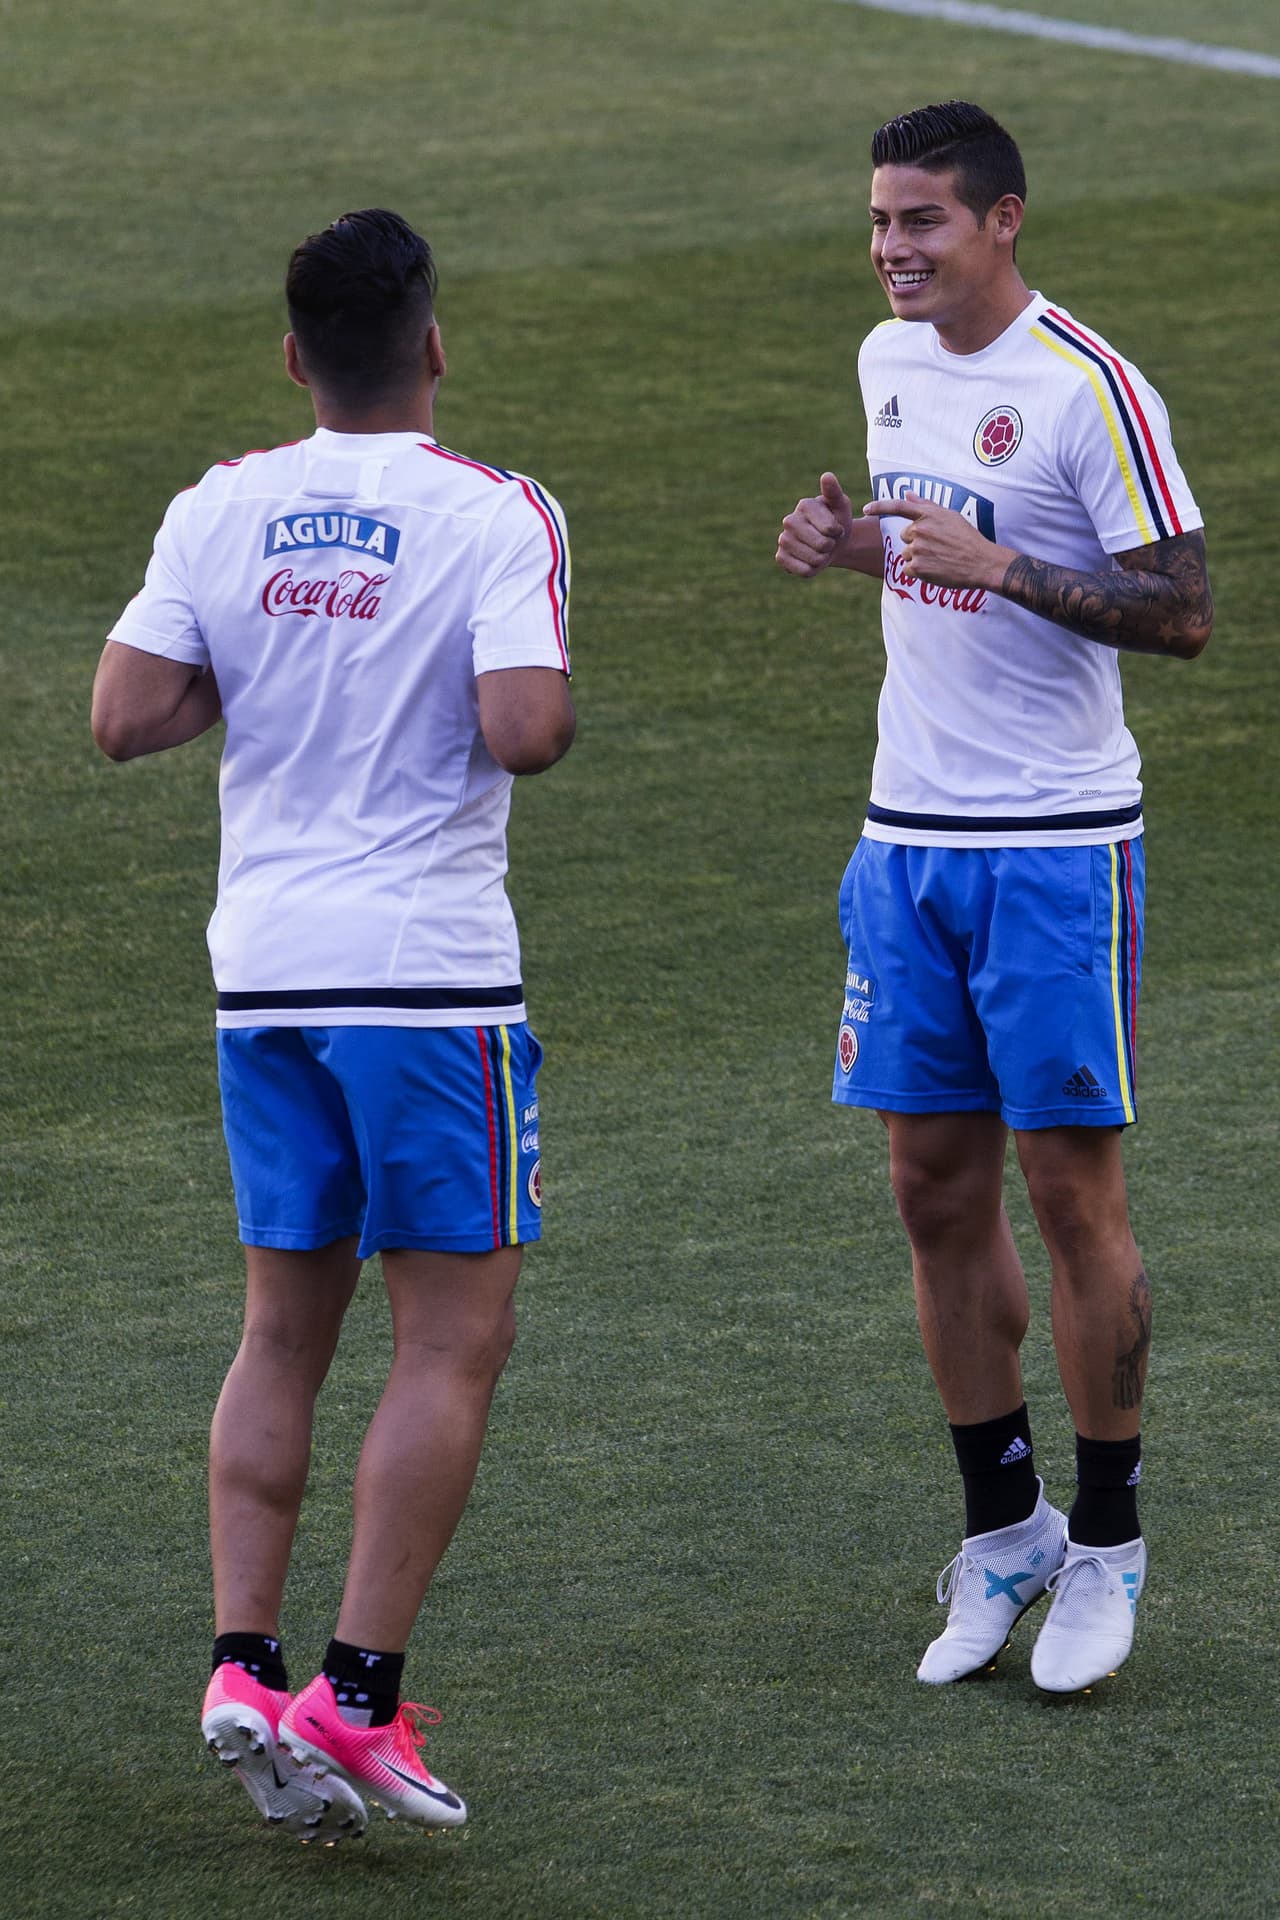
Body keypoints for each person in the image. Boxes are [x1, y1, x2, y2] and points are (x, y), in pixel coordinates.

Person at [92, 209, 575, 1837]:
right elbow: (525, 729)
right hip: (427, 982)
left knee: (280, 1330)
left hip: (266, 975)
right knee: (450, 1338)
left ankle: (243, 1661)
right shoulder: (496, 510)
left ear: (295, 357)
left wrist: (277, 658)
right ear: (433, 345)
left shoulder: (220, 504)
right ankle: (358, 1699)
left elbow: (125, 715)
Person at [775, 103, 1212, 1693]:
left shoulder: (1092, 388)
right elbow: (929, 560)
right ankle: (1005, 1527)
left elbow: (1185, 613)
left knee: (1071, 1200)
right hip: (907, 840)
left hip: (1054, 849)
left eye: (923, 221)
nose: (892, 248)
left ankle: (1109, 1545)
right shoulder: (887, 360)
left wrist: (1007, 566)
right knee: (932, 1194)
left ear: (1003, 220)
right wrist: (855, 549)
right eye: (879, 219)